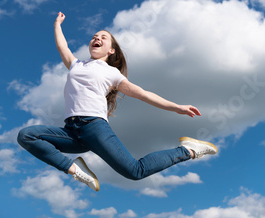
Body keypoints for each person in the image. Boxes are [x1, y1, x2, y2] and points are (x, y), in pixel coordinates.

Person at [17, 12, 218, 192]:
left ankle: (188, 150)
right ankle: (74, 169)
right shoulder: (76, 65)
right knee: (26, 136)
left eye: (103, 37)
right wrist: (57, 25)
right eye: (94, 36)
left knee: (135, 171)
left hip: (94, 127)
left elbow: (142, 94)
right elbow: (63, 48)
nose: (97, 38)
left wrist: (177, 107)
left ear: (111, 50)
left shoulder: (112, 73)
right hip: (71, 131)